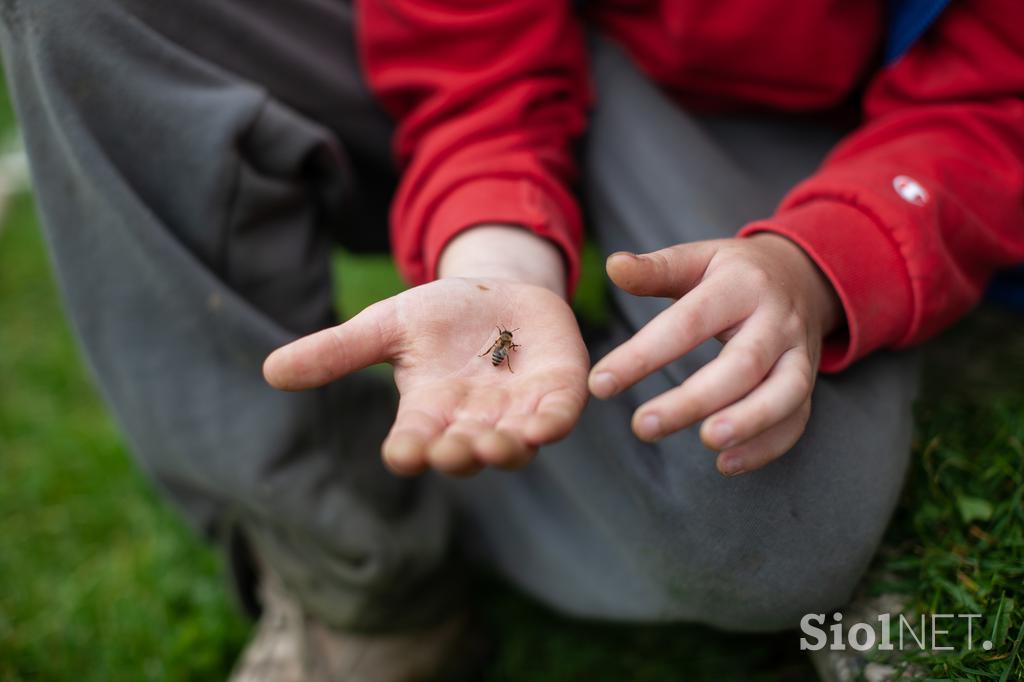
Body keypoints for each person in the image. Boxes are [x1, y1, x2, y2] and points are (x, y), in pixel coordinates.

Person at [2, 0, 1023, 679]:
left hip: (801, 116)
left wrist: (822, 261)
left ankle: (415, 465)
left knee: (761, 534)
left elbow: (996, 92)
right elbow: (467, 49)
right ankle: (351, 568)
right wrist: (495, 254)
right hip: (509, 50)